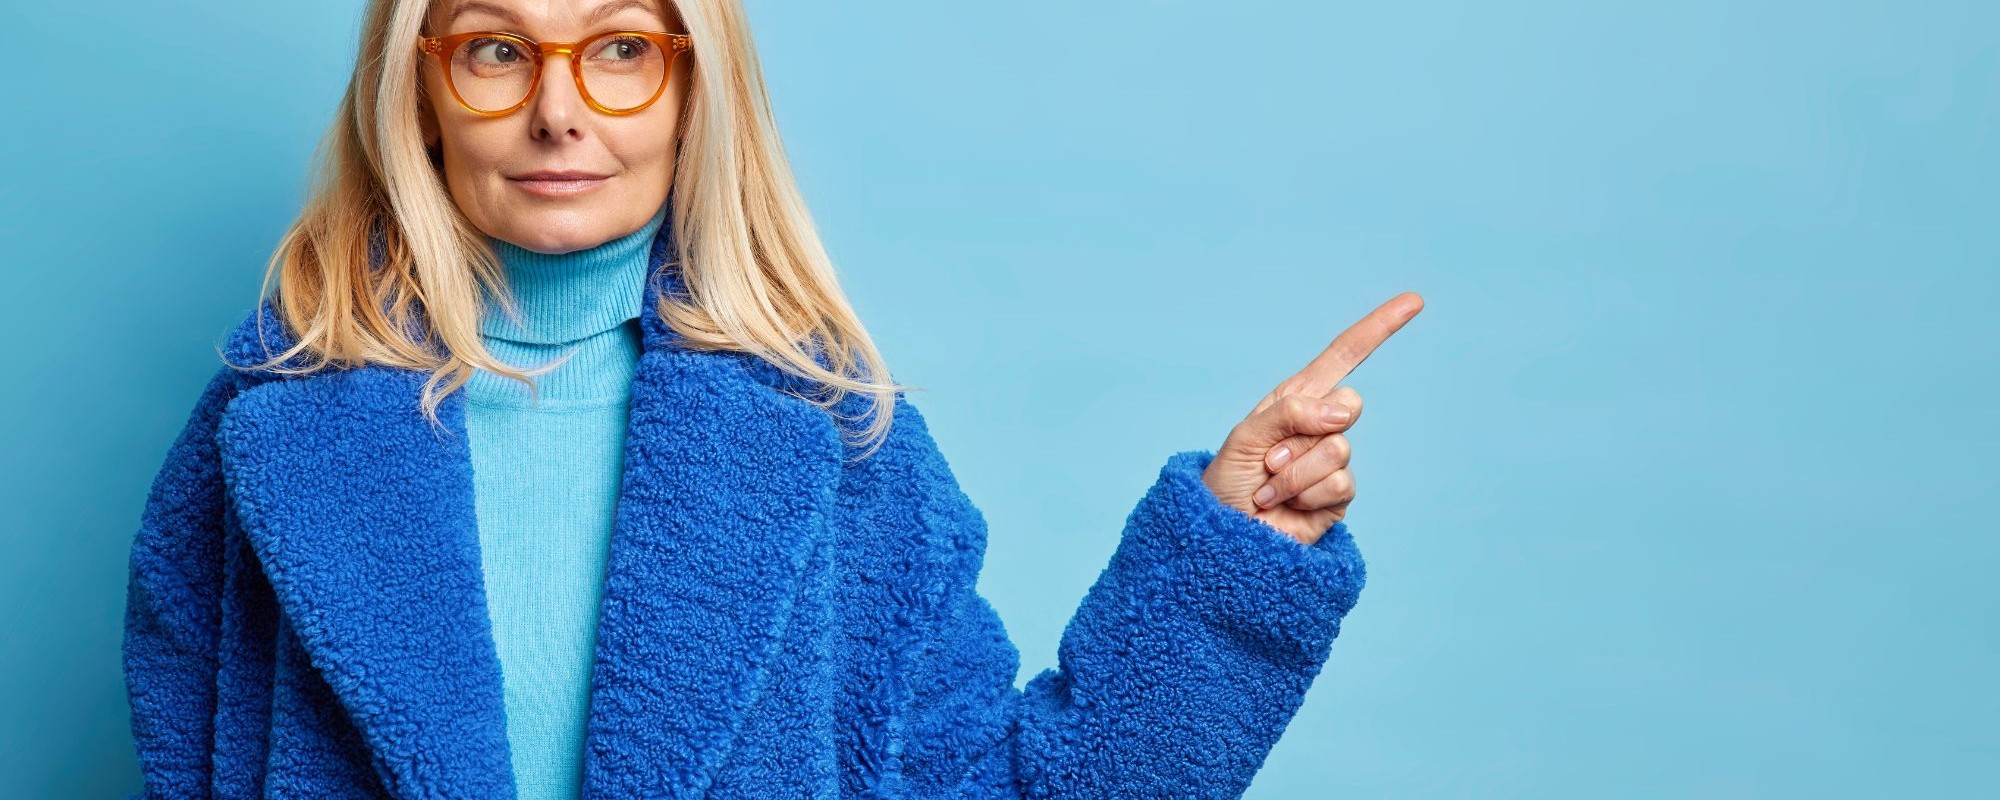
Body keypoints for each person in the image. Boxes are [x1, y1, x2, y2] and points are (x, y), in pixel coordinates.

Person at [119, 0, 1423, 797]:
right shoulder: (269, 442)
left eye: (622, 47)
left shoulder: (838, 444)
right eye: (498, 50)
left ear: (697, 86)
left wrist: (1230, 561)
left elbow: (995, 791)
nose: (559, 112)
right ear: (421, 86)